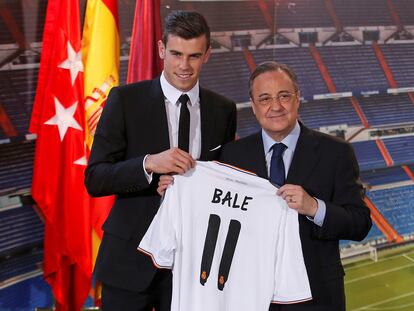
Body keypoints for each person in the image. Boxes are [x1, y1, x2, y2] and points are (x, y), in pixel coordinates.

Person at [85, 10, 237, 311]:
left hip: (192, 266)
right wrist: (149, 164)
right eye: (176, 54)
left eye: (194, 56)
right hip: (129, 262)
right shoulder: (124, 100)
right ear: (160, 50)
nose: (184, 66)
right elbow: (96, 178)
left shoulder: (223, 110)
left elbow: (223, 178)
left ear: (207, 55)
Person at [219, 61, 372, 310]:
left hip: (316, 294)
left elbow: (360, 224)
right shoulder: (233, 155)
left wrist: (315, 207)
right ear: (254, 106)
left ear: (298, 98)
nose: (276, 107)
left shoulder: (336, 152)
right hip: (252, 295)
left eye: (284, 96)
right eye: (265, 99)